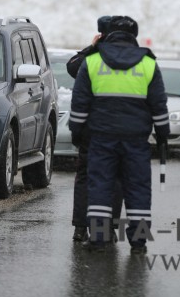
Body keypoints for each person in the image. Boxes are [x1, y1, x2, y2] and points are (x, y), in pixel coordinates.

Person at [69, 16, 169, 254]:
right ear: (133, 37)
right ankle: (139, 242)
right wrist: (163, 134)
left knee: (100, 186)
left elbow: (80, 102)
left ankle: (100, 237)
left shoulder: (92, 62)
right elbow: (159, 104)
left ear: (106, 35)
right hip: (136, 140)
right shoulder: (148, 64)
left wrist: (76, 132)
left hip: (101, 139)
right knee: (138, 189)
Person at [67, 16, 123, 243]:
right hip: (120, 129)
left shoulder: (92, 59)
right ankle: (107, 228)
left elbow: (72, 66)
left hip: (92, 129)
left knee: (85, 178)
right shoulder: (132, 58)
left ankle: (81, 227)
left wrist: (92, 47)